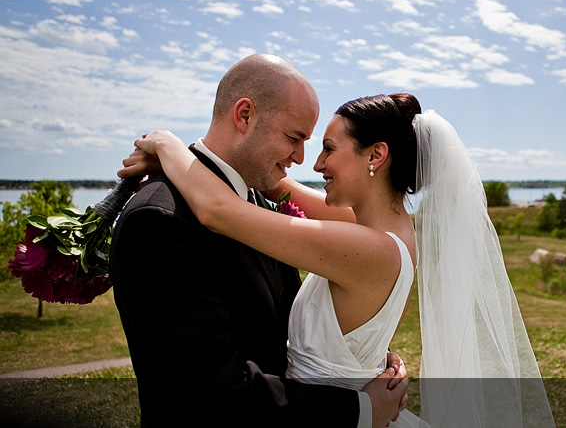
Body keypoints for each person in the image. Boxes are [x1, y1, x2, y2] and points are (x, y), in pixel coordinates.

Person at [122, 91, 556, 427]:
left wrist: (165, 143)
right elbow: (272, 185)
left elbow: (219, 210)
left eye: (329, 148)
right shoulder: (381, 227)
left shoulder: (370, 249)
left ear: (376, 155)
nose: (316, 162)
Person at [109, 54, 408, 428]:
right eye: (293, 137)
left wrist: (363, 360)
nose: (303, 158)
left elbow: (286, 332)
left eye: (319, 145)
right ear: (245, 116)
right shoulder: (159, 222)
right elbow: (211, 397)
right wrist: (361, 408)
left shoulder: (258, 206)